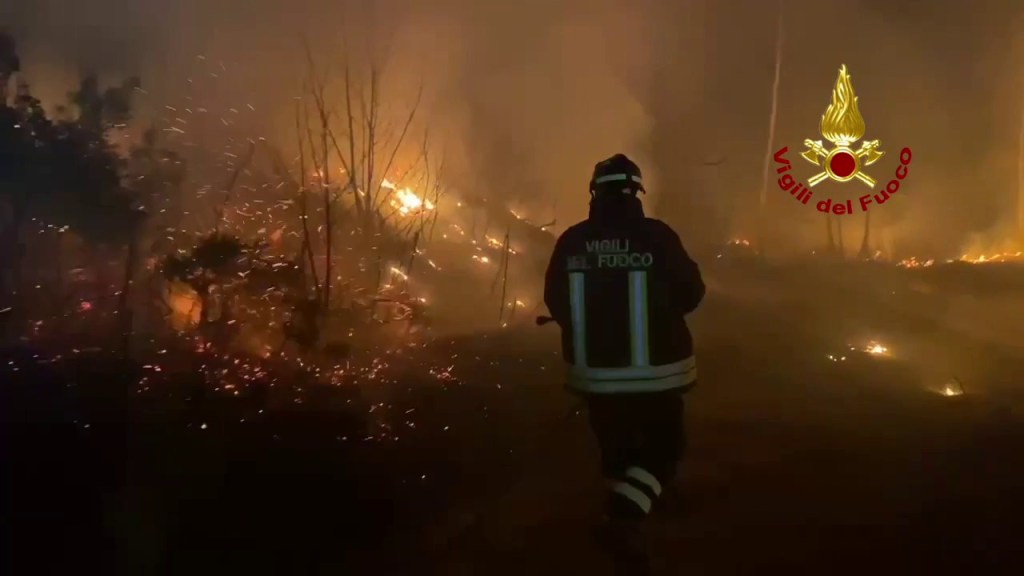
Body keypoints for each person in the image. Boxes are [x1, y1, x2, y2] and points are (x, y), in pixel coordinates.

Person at [543, 153, 705, 569]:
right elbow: (692, 292)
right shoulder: (658, 237)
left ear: (594, 193)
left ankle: (633, 504)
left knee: (615, 447)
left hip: (594, 376)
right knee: (665, 447)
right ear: (636, 192)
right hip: (658, 373)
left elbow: (555, 300)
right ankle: (625, 518)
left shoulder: (572, 241)